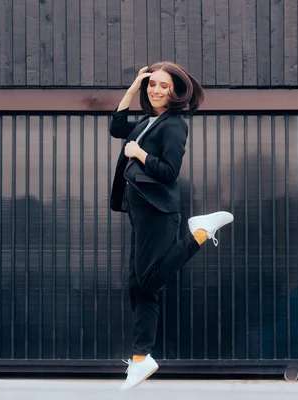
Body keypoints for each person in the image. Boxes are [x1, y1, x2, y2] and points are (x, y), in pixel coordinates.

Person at [109, 62, 234, 390]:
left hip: (158, 213)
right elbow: (116, 126)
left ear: (176, 92)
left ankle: (199, 233)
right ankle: (141, 359)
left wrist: (138, 155)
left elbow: (168, 172)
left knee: (147, 281)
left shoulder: (174, 125)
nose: (156, 90)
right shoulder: (150, 122)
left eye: (164, 86)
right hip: (142, 213)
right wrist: (134, 85)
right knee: (138, 286)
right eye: (153, 84)